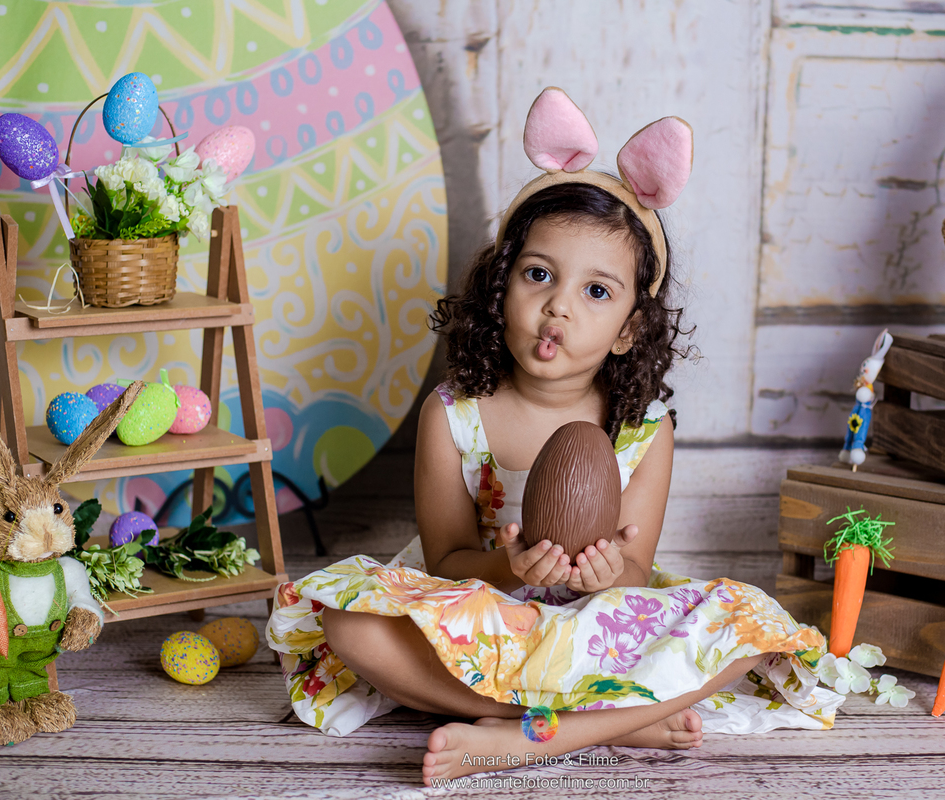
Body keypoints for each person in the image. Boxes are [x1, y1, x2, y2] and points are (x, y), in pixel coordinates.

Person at [266, 88, 842, 786]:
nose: (559, 306)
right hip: (482, 621)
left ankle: (527, 739)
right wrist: (509, 569)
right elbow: (446, 561)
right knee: (348, 624)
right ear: (500, 287)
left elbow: (633, 576)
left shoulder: (644, 431)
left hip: (597, 629)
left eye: (597, 292)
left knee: (750, 628)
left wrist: (605, 577)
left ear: (631, 328)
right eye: (538, 275)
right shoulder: (454, 415)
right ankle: (618, 722)